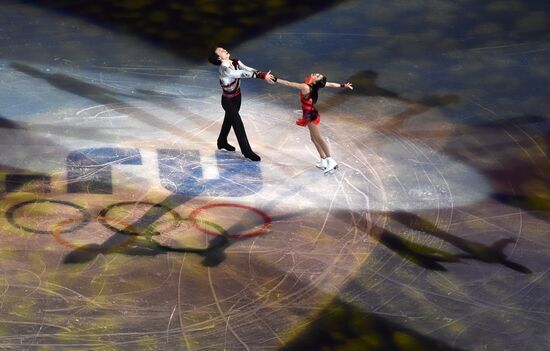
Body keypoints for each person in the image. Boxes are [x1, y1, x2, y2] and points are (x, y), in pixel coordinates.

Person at [272, 73, 353, 173]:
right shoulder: (315, 86)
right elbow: (330, 84)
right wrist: (343, 85)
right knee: (313, 138)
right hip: (310, 113)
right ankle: (323, 160)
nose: (317, 74)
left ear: (315, 81)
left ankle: (330, 160)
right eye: (318, 74)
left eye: (318, 76)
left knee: (318, 138)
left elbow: (288, 83)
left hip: (310, 116)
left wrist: (275, 79)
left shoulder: (305, 87)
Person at [208, 47, 273, 161]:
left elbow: (247, 69)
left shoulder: (236, 62)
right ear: (219, 57)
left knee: (229, 120)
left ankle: (222, 141)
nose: (224, 50)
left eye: (223, 48)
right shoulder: (224, 69)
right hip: (227, 101)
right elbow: (241, 73)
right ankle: (247, 151)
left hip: (237, 97)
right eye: (221, 51)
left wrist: (263, 75)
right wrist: (261, 76)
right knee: (238, 124)